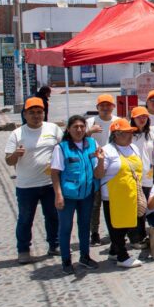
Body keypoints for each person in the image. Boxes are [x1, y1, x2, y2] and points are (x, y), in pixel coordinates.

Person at [5, 97, 63, 264]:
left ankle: (54, 244)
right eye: (32, 112)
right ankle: (23, 250)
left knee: (53, 216)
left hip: (50, 183)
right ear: (25, 114)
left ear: (44, 113)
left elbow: (64, 147)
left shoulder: (53, 128)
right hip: (26, 186)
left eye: (39, 112)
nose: (36, 115)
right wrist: (15, 154)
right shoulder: (17, 134)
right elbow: (8, 160)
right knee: (25, 219)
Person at [50, 115, 104, 274]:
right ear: (68, 129)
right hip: (68, 195)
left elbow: (98, 172)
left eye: (82, 126)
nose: (79, 130)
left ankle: (85, 256)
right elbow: (55, 173)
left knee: (85, 226)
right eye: (75, 127)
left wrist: (101, 160)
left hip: (87, 194)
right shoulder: (61, 148)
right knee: (66, 227)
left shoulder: (92, 144)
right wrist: (58, 195)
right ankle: (66, 260)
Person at [101, 118, 145, 268]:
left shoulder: (134, 147)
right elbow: (99, 174)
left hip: (131, 193)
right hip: (113, 196)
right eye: (127, 133)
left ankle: (114, 251)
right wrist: (99, 161)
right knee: (116, 227)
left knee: (127, 224)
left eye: (131, 132)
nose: (131, 135)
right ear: (117, 134)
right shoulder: (107, 150)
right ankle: (122, 256)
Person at [86, 94, 118, 246]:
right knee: (95, 204)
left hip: (113, 168)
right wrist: (89, 132)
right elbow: (76, 139)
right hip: (94, 167)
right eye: (102, 105)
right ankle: (94, 232)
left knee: (113, 202)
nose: (105, 108)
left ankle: (115, 230)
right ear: (97, 107)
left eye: (108, 105)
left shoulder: (118, 121)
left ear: (113, 106)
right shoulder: (89, 122)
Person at [130, 106, 154, 248]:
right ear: (133, 119)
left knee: (144, 206)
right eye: (139, 117)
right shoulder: (128, 134)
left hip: (147, 175)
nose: (142, 119)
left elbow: (152, 154)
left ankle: (141, 234)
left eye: (145, 117)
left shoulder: (150, 134)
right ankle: (135, 238)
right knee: (135, 207)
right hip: (133, 175)